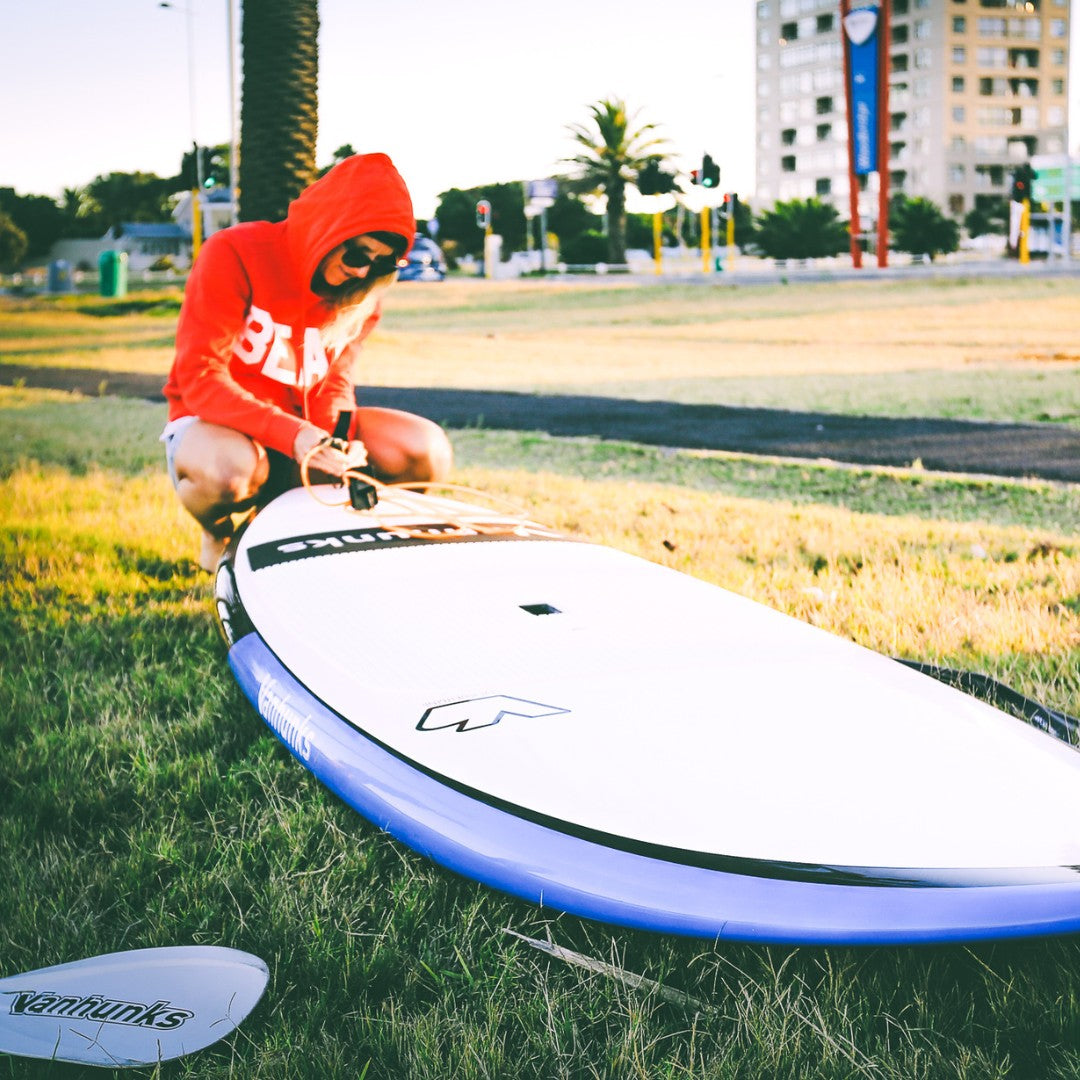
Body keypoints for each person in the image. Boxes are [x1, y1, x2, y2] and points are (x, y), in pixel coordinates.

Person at [161, 153, 452, 571]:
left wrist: (336, 443)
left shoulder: (362, 296)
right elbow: (200, 378)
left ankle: (323, 533)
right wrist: (297, 437)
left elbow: (335, 379)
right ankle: (218, 533)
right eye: (358, 255)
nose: (364, 271)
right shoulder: (234, 251)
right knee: (230, 471)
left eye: (384, 263)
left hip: (304, 431)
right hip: (219, 426)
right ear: (329, 228)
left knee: (426, 449)